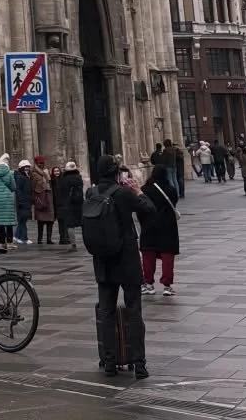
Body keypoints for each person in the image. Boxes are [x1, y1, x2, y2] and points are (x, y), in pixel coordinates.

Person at [83, 157, 151, 381]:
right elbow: (150, 211)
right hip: (127, 259)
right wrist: (138, 191)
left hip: (103, 260)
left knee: (107, 312)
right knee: (134, 312)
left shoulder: (91, 194)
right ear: (116, 173)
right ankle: (139, 364)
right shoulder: (123, 194)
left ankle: (110, 362)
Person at [139, 161, 180, 299]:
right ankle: (167, 285)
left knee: (148, 254)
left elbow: (140, 207)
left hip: (149, 225)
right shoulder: (171, 189)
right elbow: (174, 202)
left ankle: (148, 283)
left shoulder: (145, 189)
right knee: (167, 255)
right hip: (167, 226)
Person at [54, 160, 83, 248]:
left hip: (68, 204)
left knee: (70, 225)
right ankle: (86, 240)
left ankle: (73, 243)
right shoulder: (79, 178)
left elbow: (61, 192)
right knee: (82, 223)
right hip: (79, 203)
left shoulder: (64, 179)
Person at [0, 155, 17, 246]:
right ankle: (9, 242)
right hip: (7, 200)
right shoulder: (9, 173)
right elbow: (13, 187)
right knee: (8, 221)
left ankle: (2, 242)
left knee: (0, 222)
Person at [30, 157, 55, 243]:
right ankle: (39, 239)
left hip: (48, 196)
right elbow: (33, 187)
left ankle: (49, 239)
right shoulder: (33, 173)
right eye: (39, 163)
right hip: (40, 197)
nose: (41, 164)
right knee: (40, 220)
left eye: (42, 163)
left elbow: (51, 184)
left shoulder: (46, 172)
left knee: (50, 219)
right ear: (36, 163)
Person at [13, 160, 33, 245]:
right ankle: (23, 237)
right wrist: (21, 201)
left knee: (22, 220)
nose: (27, 169)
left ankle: (18, 236)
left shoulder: (25, 176)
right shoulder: (21, 177)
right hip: (23, 202)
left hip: (25, 201)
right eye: (25, 167)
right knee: (23, 220)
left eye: (28, 167)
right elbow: (18, 190)